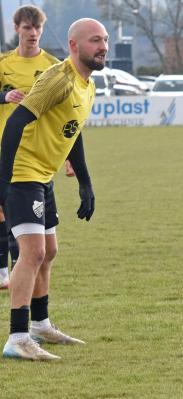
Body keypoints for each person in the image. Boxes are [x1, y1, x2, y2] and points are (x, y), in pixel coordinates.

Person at [0, 18, 105, 361]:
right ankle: (17, 337)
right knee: (32, 253)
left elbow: (72, 132)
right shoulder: (59, 79)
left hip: (44, 176)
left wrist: (86, 183)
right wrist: (3, 182)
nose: (103, 46)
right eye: (95, 40)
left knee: (49, 251)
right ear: (74, 46)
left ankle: (40, 325)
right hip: (23, 174)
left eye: (104, 40)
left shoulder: (87, 85)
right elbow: (16, 122)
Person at [0, 5, 61, 290]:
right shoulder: (3, 64)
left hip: (37, 159)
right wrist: (4, 96)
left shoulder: (52, 65)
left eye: (37, 28)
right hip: (6, 154)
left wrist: (71, 158)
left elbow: (61, 113)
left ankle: (16, 275)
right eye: (27, 28)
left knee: (29, 232)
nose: (33, 33)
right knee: (6, 216)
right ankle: (7, 272)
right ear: (17, 30)